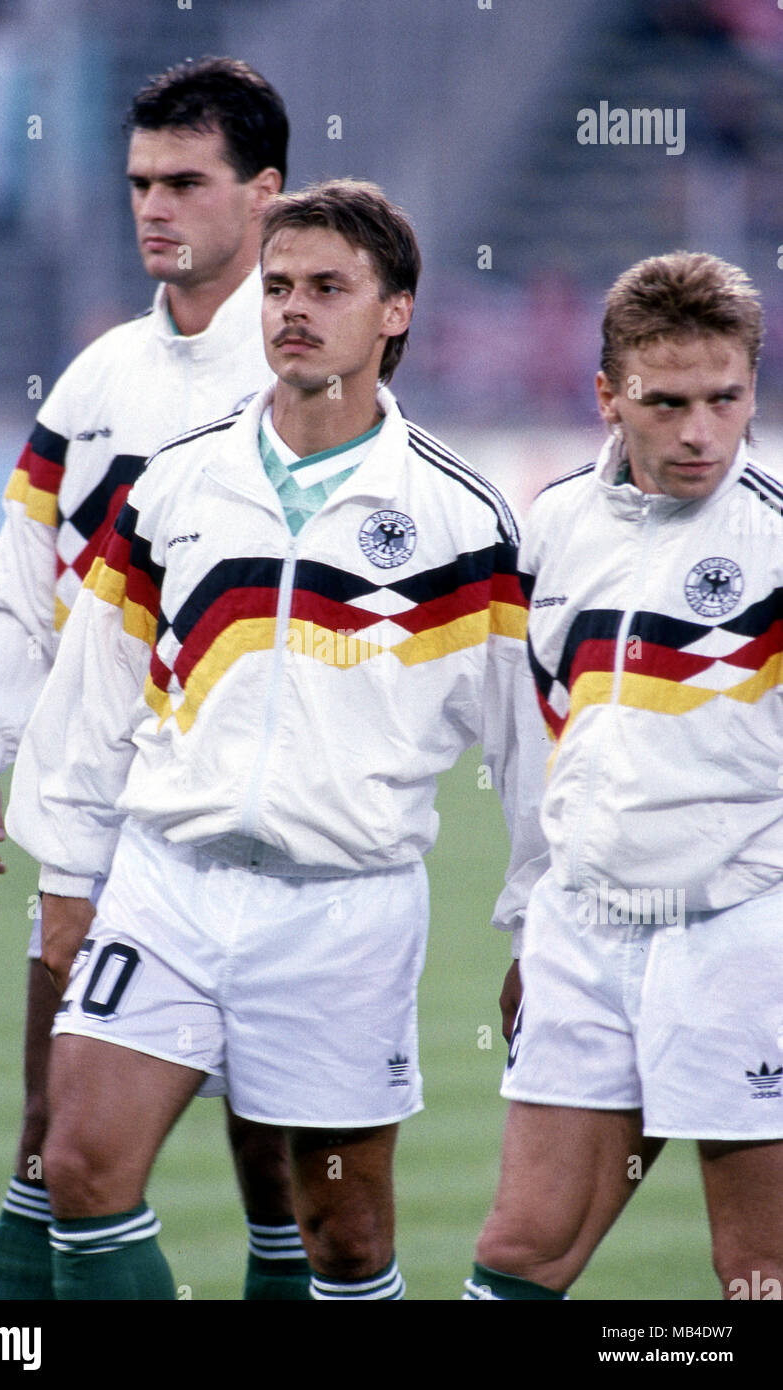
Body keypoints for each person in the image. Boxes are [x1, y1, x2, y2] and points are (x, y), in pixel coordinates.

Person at [5, 178, 548, 1300]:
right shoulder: (176, 480)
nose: (292, 309)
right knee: (78, 1163)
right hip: (168, 884)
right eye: (280, 285)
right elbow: (94, 692)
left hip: (344, 914)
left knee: (338, 1237)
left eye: (328, 288)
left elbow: (528, 746)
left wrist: (537, 918)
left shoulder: (462, 518)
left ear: (393, 311)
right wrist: (67, 869)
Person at [0, 56, 312, 1301]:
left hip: (263, 835)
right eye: (139, 182)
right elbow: (18, 577)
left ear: (263, 193)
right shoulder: (98, 381)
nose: (152, 206)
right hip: (98, 821)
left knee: (292, 1195)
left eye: (184, 183)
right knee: (51, 1147)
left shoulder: (312, 373)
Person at [465, 250, 783, 1302]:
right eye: (666, 401)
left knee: (754, 1273)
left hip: (739, 933)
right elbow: (539, 739)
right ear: (607, 395)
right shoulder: (549, 528)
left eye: (723, 398)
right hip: (581, 933)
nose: (698, 431)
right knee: (521, 1249)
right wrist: (526, 919)